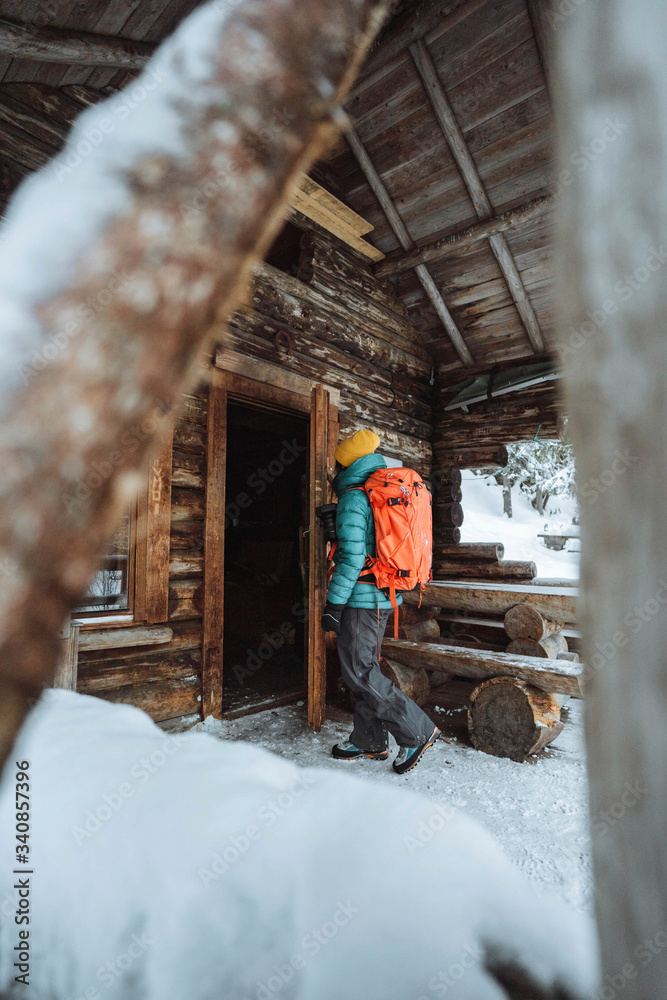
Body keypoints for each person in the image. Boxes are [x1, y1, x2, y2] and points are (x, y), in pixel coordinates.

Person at [321, 429, 440, 775]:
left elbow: (352, 558)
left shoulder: (355, 499)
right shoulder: (379, 492)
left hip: (360, 600)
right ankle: (369, 739)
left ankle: (416, 731)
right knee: (363, 669)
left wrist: (334, 604)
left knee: (359, 671)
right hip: (384, 597)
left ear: (346, 466)